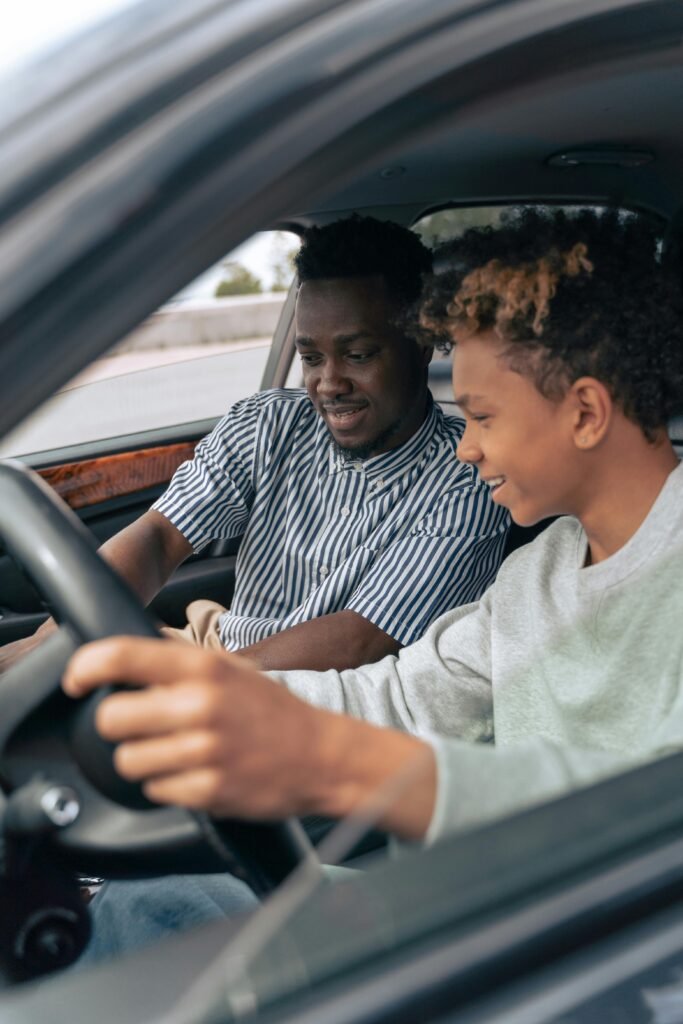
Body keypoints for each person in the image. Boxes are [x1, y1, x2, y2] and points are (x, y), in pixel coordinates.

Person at [63, 207, 683, 960]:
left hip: (581, 950)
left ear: (584, 412)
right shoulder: (540, 568)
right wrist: (213, 689)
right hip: (467, 902)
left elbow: (648, 813)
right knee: (146, 903)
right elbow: (400, 693)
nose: (467, 448)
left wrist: (338, 759)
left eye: (482, 416)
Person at [0, 215, 507, 674]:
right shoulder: (266, 423)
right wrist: (57, 640)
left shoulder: (469, 475)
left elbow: (359, 642)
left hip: (316, 702)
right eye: (310, 358)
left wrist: (191, 683)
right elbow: (157, 540)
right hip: (213, 651)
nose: (328, 383)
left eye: (357, 355)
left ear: (419, 346)